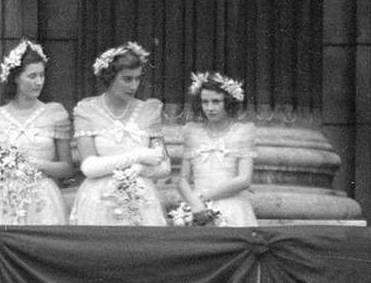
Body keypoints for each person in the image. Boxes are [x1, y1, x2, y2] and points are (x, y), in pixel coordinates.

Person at [70, 41, 170, 225]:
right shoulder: (87, 110)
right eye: (127, 79)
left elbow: (164, 166)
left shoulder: (149, 110)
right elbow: (89, 167)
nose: (133, 85)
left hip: (141, 200)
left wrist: (141, 168)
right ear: (109, 78)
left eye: (137, 78)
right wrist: (137, 156)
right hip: (99, 201)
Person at [0, 39, 72, 225]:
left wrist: (34, 164)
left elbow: (67, 167)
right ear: (15, 77)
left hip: (43, 200)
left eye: (42, 75)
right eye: (32, 76)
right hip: (7, 198)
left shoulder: (54, 113)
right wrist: (7, 165)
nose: (39, 82)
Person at [177, 71, 258, 226]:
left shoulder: (242, 133)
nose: (210, 108)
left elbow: (244, 179)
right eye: (205, 102)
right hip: (197, 207)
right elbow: (182, 179)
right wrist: (195, 204)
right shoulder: (192, 133)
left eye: (216, 101)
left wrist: (204, 198)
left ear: (227, 102)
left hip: (232, 207)